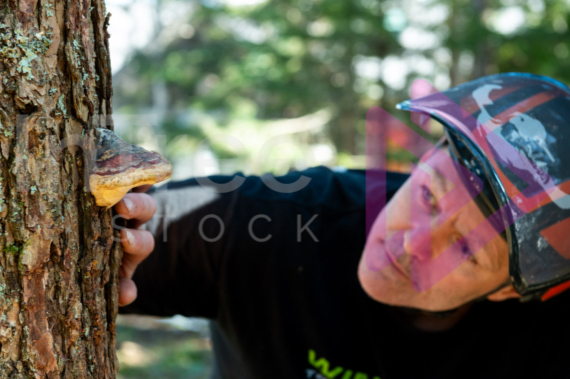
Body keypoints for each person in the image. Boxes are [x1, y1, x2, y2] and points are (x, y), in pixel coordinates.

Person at [116, 73, 570, 379]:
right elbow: (85, 234)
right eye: (429, 195)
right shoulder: (280, 222)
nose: (412, 241)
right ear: (425, 159)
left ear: (509, 290)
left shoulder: (544, 334)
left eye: (467, 248)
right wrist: (112, 254)